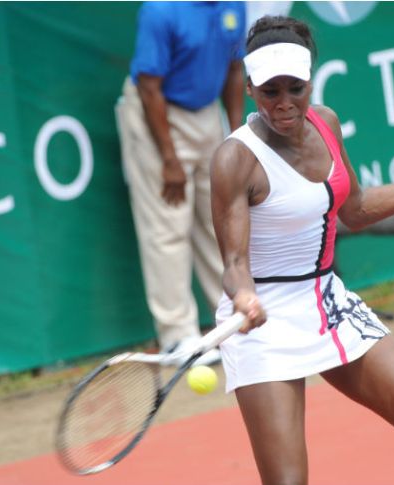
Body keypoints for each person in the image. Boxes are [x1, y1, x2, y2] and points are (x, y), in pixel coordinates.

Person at [210, 15, 394, 485]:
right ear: (250, 87)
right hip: (263, 322)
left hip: (329, 302)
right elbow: (234, 263)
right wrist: (245, 297)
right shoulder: (234, 158)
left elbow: (356, 209)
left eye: (296, 87)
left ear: (311, 79)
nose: (285, 103)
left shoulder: (326, 123)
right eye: (271, 91)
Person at [115, 2, 246, 366]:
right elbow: (149, 88)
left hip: (204, 114)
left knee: (216, 218)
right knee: (167, 226)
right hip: (156, 113)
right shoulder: (162, 11)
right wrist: (169, 158)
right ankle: (177, 338)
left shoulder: (234, 5)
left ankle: (232, 321)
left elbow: (235, 70)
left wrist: (235, 136)